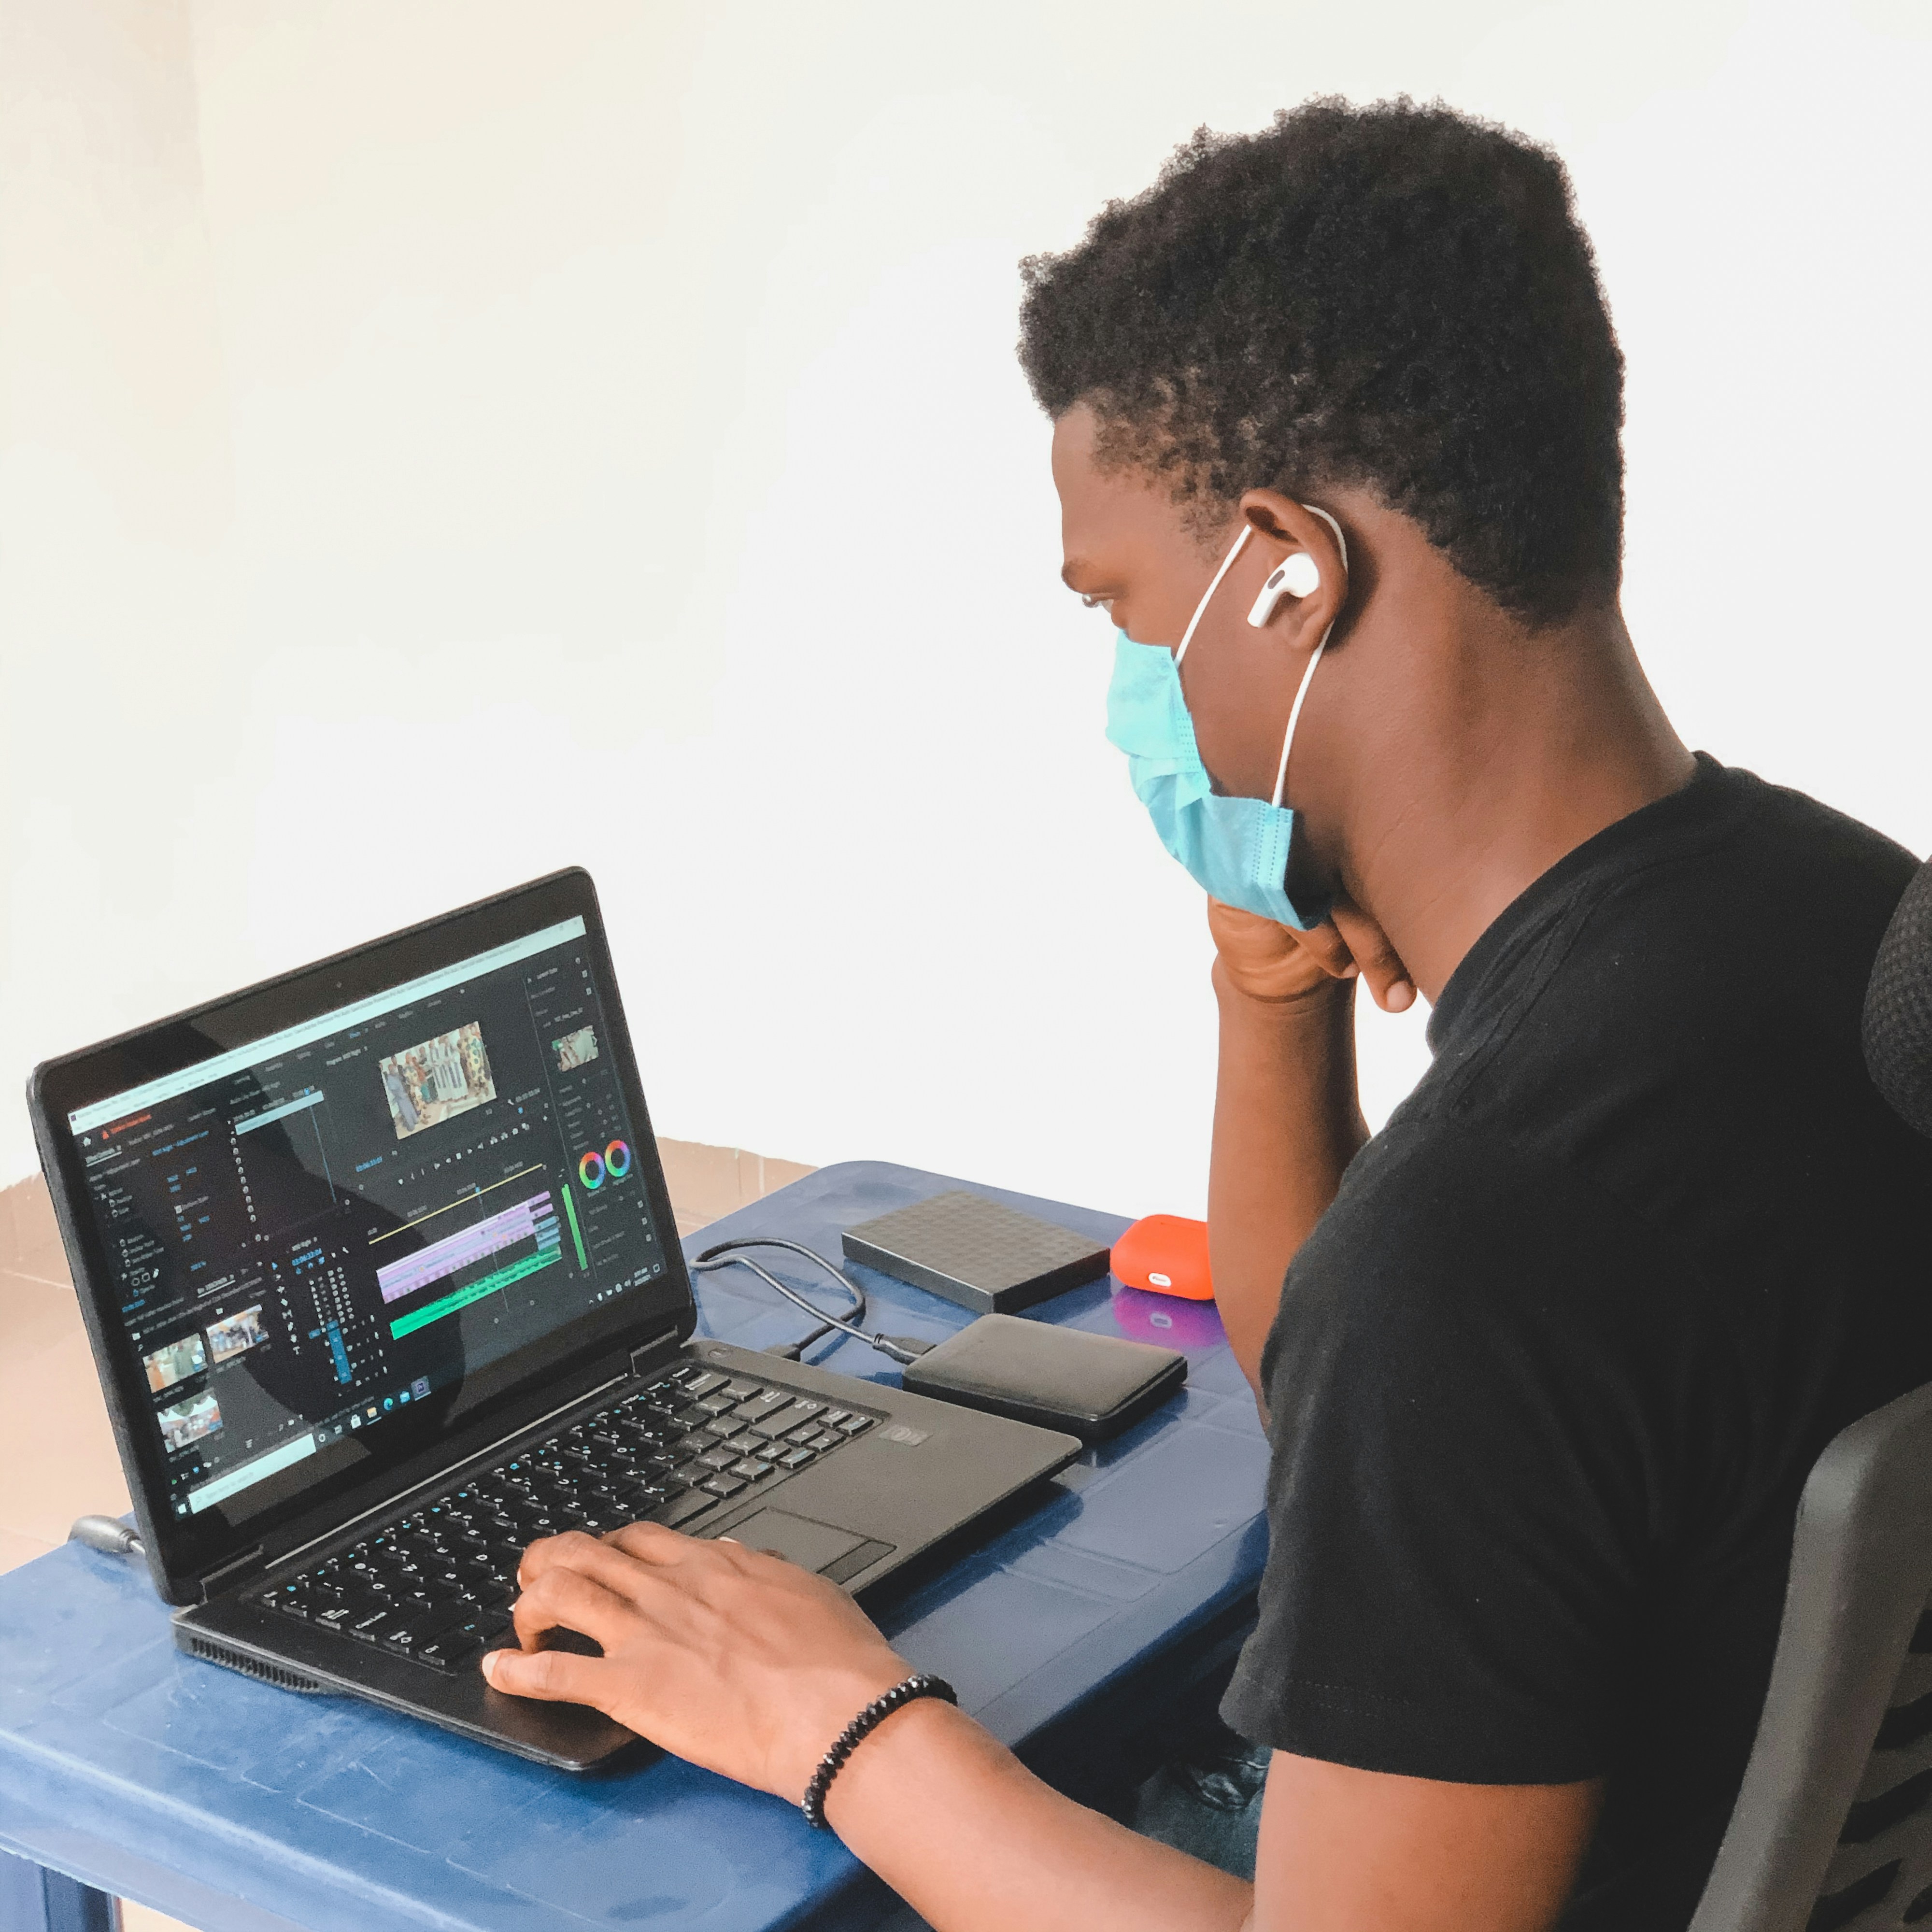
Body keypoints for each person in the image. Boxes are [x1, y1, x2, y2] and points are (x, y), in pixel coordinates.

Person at [479, 99, 1932, 1931]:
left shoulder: (1492, 1244)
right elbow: (1356, 1386)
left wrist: (838, 1723)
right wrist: (1271, 1004)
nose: (1126, 684)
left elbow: (1428, 1345)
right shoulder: (1850, 915)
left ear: (1292, 571)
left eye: (1124, 606)